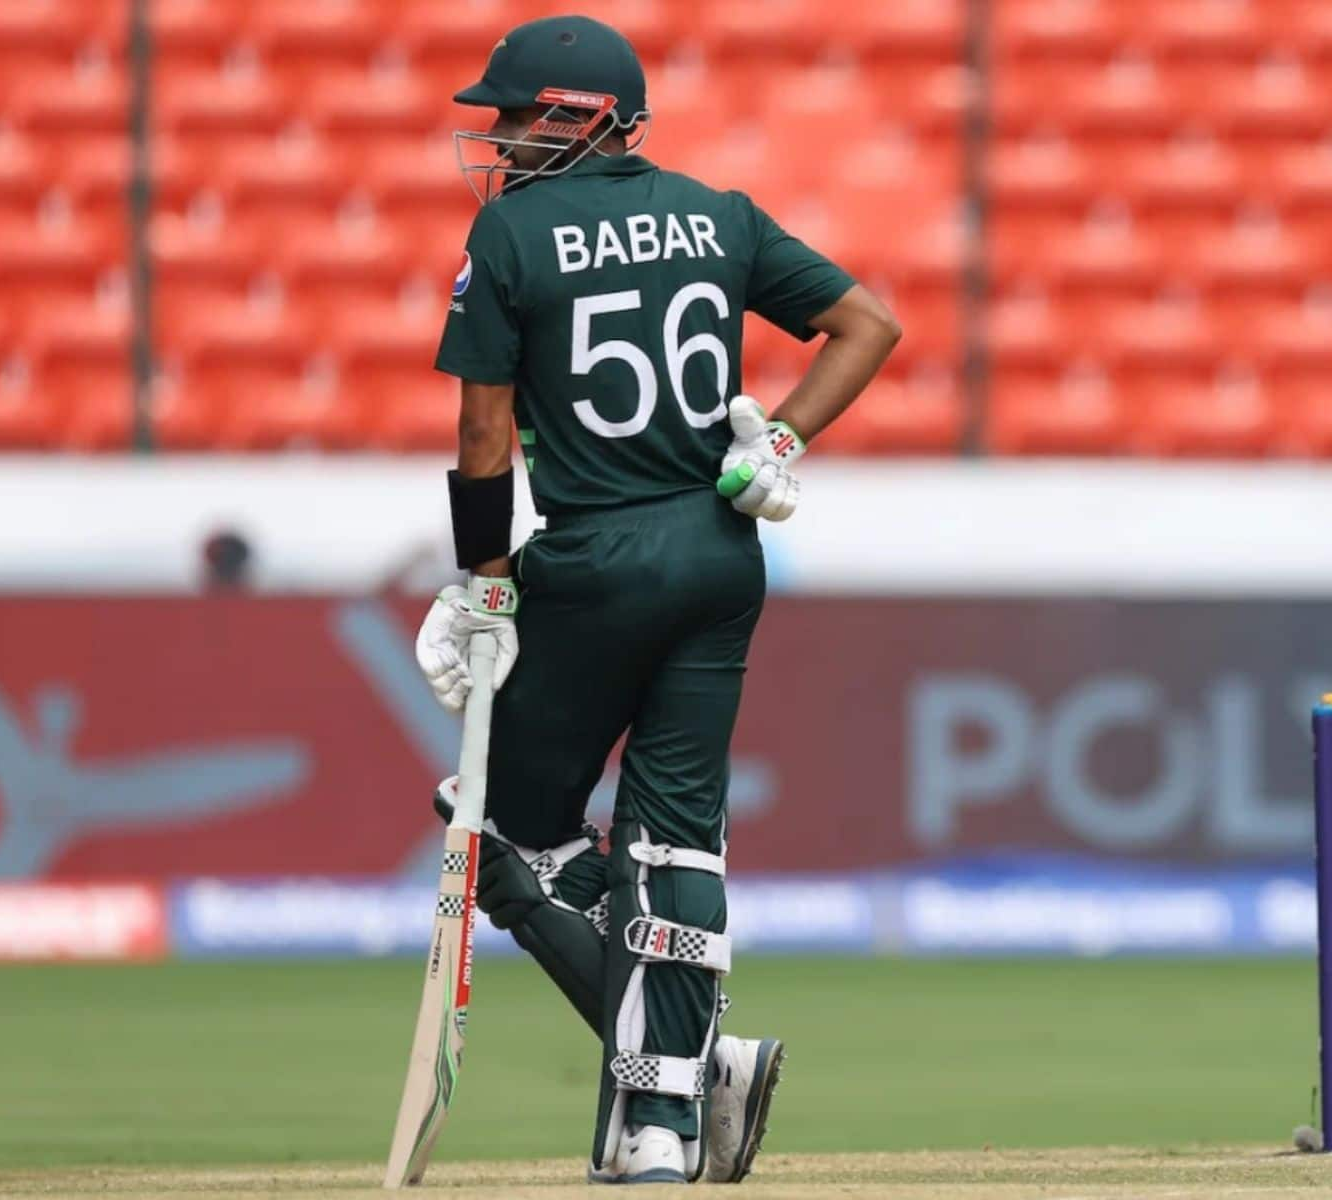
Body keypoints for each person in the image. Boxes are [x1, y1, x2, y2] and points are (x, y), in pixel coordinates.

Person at [412, 14, 900, 1186]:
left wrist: (486, 581)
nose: (502, 139)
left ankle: (693, 1076)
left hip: (593, 562)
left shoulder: (511, 231)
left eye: (518, 117)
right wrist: (778, 439)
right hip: (723, 556)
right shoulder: (719, 214)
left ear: (578, 118)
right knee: (672, 846)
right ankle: (669, 1124)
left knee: (499, 834)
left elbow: (485, 430)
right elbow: (868, 325)